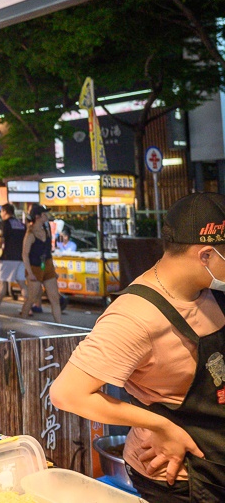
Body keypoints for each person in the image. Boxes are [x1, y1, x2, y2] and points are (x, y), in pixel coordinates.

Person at [50, 193, 225, 501]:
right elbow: (67, 393)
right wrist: (161, 426)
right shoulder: (135, 315)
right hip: (184, 478)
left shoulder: (206, 290)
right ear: (207, 255)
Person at [21, 204, 62, 323]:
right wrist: (29, 272)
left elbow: (48, 251)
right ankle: (22, 321)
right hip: (35, 266)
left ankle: (60, 324)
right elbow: (25, 254)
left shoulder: (46, 229)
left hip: (47, 264)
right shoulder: (30, 233)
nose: (46, 216)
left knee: (54, 298)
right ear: (38, 216)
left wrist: (53, 270)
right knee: (32, 298)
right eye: (44, 214)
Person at [0, 203, 27, 313]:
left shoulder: (5, 223)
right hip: (20, 258)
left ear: (5, 211)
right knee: (22, 283)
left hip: (8, 258)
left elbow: (0, 239)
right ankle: (28, 308)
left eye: (1, 211)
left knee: (2, 282)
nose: (1, 214)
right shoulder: (21, 224)